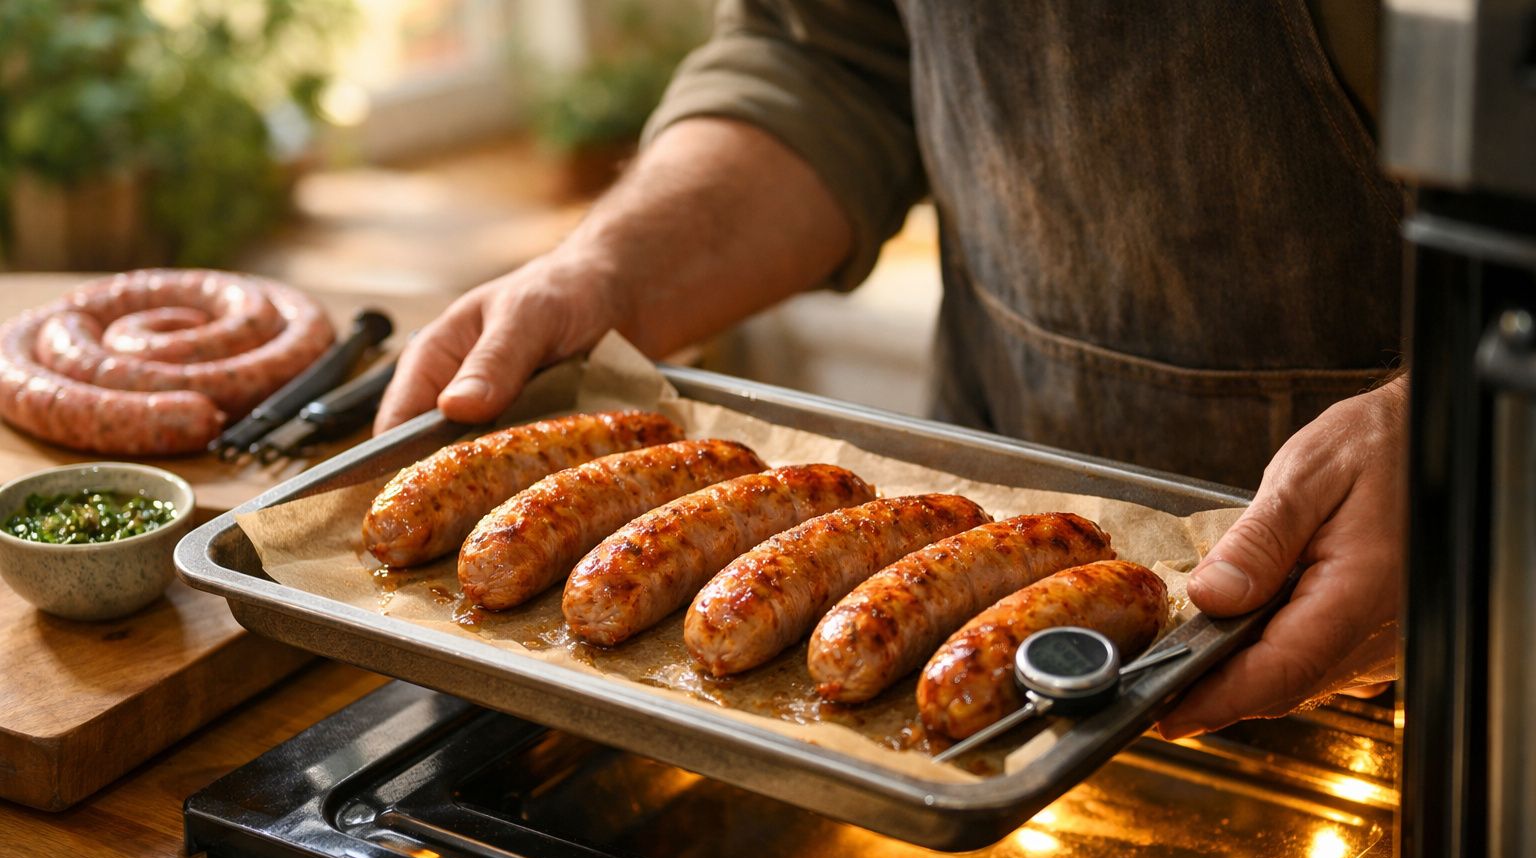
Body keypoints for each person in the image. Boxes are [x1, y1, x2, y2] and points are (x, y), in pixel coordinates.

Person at [375, 1, 1404, 738]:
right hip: (994, 473)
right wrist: (608, 269)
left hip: (1433, 594)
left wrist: (1460, 434)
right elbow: (827, 58)